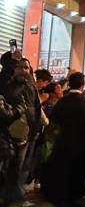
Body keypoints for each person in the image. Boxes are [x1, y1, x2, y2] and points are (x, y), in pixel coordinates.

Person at [41, 72, 85, 206]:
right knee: (77, 174)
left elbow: (54, 121)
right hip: (80, 145)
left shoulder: (62, 101)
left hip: (63, 142)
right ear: (82, 85)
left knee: (63, 173)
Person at [1, 53, 41, 204]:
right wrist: (13, 54)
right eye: (19, 67)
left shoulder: (30, 85)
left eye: (26, 67)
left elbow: (37, 107)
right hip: (6, 134)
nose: (23, 70)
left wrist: (34, 130)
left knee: (17, 169)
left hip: (25, 135)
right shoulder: (6, 83)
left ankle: (12, 199)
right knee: (7, 168)